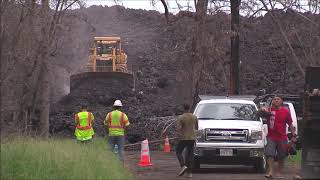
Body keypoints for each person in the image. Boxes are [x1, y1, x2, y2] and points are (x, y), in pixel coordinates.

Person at [259, 96, 296, 179]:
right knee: (269, 154)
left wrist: (293, 136)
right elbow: (258, 114)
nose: (276, 100)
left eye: (278, 99)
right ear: (272, 101)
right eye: (274, 99)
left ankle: (279, 172)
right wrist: (261, 109)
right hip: (271, 137)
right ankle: (271, 172)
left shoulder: (285, 112)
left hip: (282, 137)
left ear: (281, 101)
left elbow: (290, 124)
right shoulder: (269, 110)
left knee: (281, 156)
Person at [175, 103, 198, 178]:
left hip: (184, 138)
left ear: (183, 109)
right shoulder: (194, 117)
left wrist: (178, 134)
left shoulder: (181, 117)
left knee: (178, 151)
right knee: (190, 154)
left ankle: (183, 166)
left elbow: (178, 129)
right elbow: (197, 128)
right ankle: (190, 173)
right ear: (189, 108)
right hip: (192, 138)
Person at [104, 99, 130, 164]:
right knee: (120, 149)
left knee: (110, 149)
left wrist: (108, 131)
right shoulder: (123, 115)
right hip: (120, 135)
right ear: (120, 107)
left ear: (113, 106)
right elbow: (127, 125)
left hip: (111, 134)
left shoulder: (109, 114)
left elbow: (105, 123)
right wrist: (124, 132)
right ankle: (121, 164)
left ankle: (110, 163)